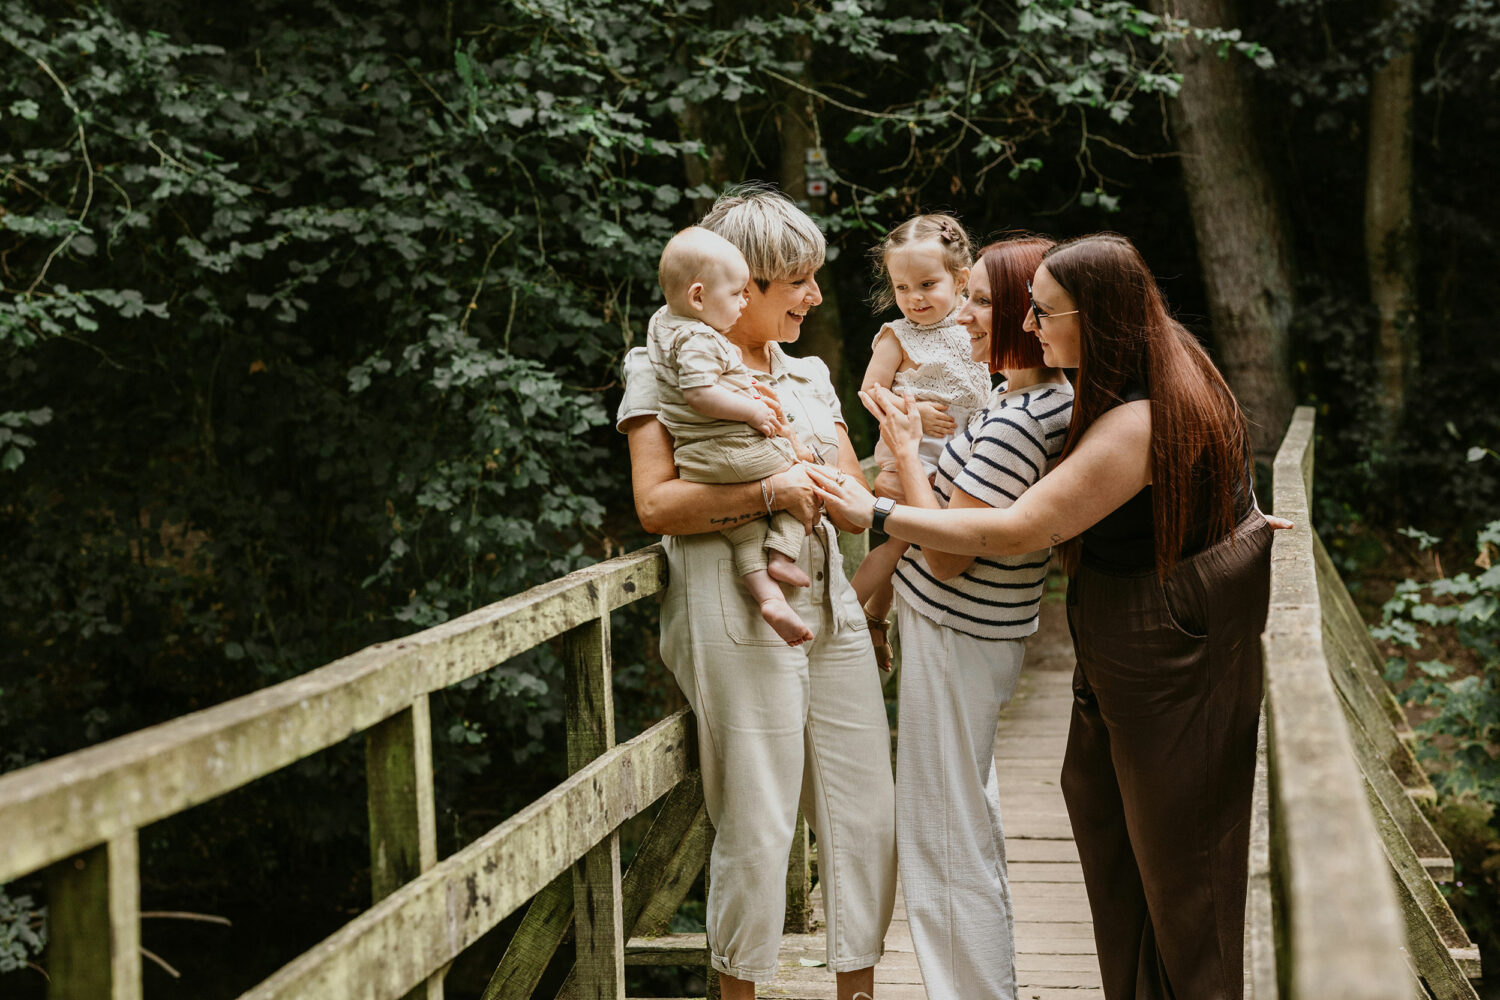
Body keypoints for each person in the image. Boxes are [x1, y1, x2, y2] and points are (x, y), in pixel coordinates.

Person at [808, 233, 1290, 1000]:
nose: (1026, 325)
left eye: (1040, 311)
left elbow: (1016, 529)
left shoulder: (1123, 411)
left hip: (1154, 632)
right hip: (1120, 623)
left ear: (1095, 318)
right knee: (1099, 810)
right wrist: (1243, 515)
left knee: (1175, 851)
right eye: (1025, 308)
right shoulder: (1107, 379)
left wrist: (877, 507)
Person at [618, 184, 896, 1000]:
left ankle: (858, 992)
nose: (814, 296)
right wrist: (772, 491)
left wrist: (893, 475)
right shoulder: (660, 365)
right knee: (758, 817)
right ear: (740, 286)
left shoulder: (806, 373)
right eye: (798, 282)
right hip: (732, 605)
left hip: (830, 604)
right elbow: (656, 505)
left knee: (865, 814)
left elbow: (848, 488)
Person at [865, 236, 1073, 1000]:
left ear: (1024, 311)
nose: (963, 315)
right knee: (958, 817)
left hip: (961, 629)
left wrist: (905, 453)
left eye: (983, 300)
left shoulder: (1020, 418)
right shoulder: (1020, 401)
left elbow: (948, 552)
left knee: (944, 830)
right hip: (967, 630)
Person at [647, 225, 814, 645]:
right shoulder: (698, 338)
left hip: (700, 461)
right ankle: (783, 552)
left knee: (745, 529)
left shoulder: (663, 326)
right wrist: (754, 410)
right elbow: (700, 392)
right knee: (804, 475)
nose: (743, 301)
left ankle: (769, 596)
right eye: (738, 293)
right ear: (698, 297)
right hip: (729, 450)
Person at [852, 213, 992, 670]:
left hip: (962, 456)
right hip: (914, 455)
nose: (914, 298)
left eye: (927, 285)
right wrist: (912, 410)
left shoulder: (974, 327)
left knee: (912, 542)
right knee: (896, 544)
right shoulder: (898, 336)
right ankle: (845, 618)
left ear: (961, 280)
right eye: (902, 287)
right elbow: (869, 391)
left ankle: (875, 619)